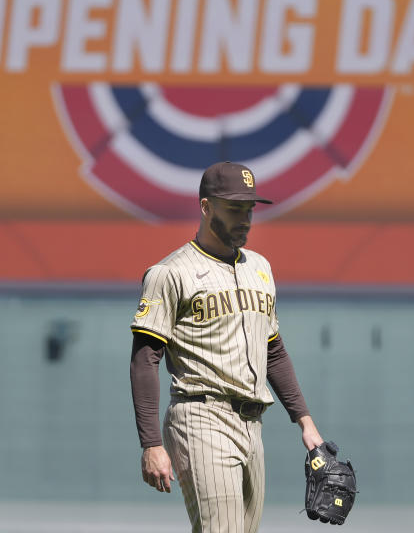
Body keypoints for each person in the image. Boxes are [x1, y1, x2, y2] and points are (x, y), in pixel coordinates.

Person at [129, 161, 324, 533]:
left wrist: (306, 422)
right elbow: (144, 360)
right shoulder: (170, 273)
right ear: (206, 207)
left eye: (249, 208)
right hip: (200, 416)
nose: (246, 218)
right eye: (234, 208)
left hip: (253, 424)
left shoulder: (260, 268)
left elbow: (274, 352)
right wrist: (152, 443)